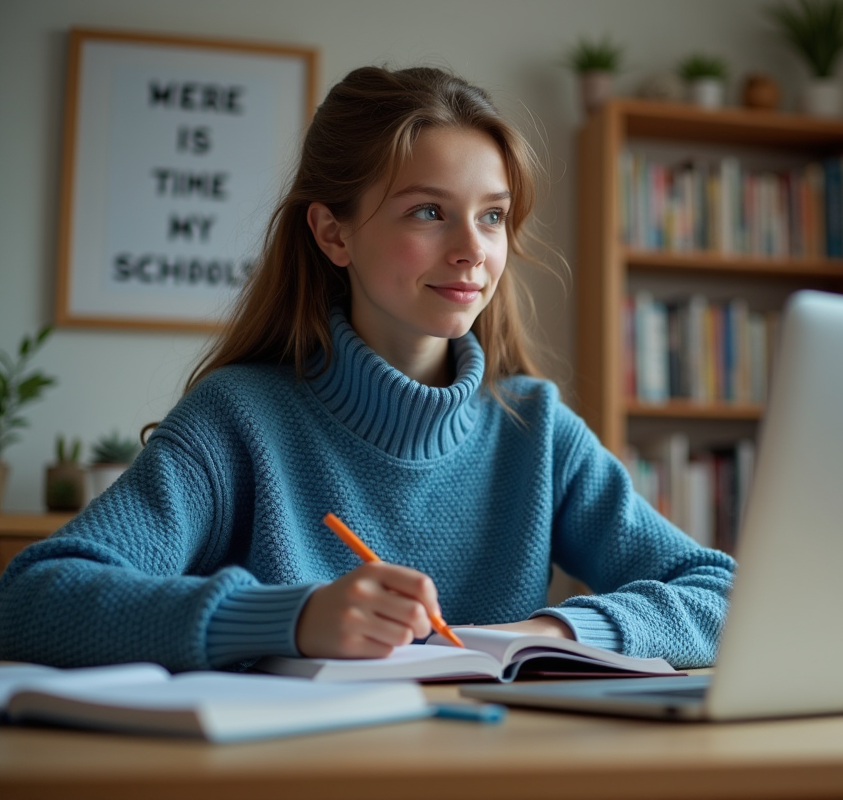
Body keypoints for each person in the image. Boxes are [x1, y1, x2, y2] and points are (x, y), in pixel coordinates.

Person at [0, 66, 735, 672]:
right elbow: (31, 600)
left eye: (492, 215)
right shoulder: (237, 421)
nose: (472, 251)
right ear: (333, 233)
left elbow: (725, 594)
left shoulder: (536, 429)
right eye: (427, 212)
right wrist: (290, 619)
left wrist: (554, 634)